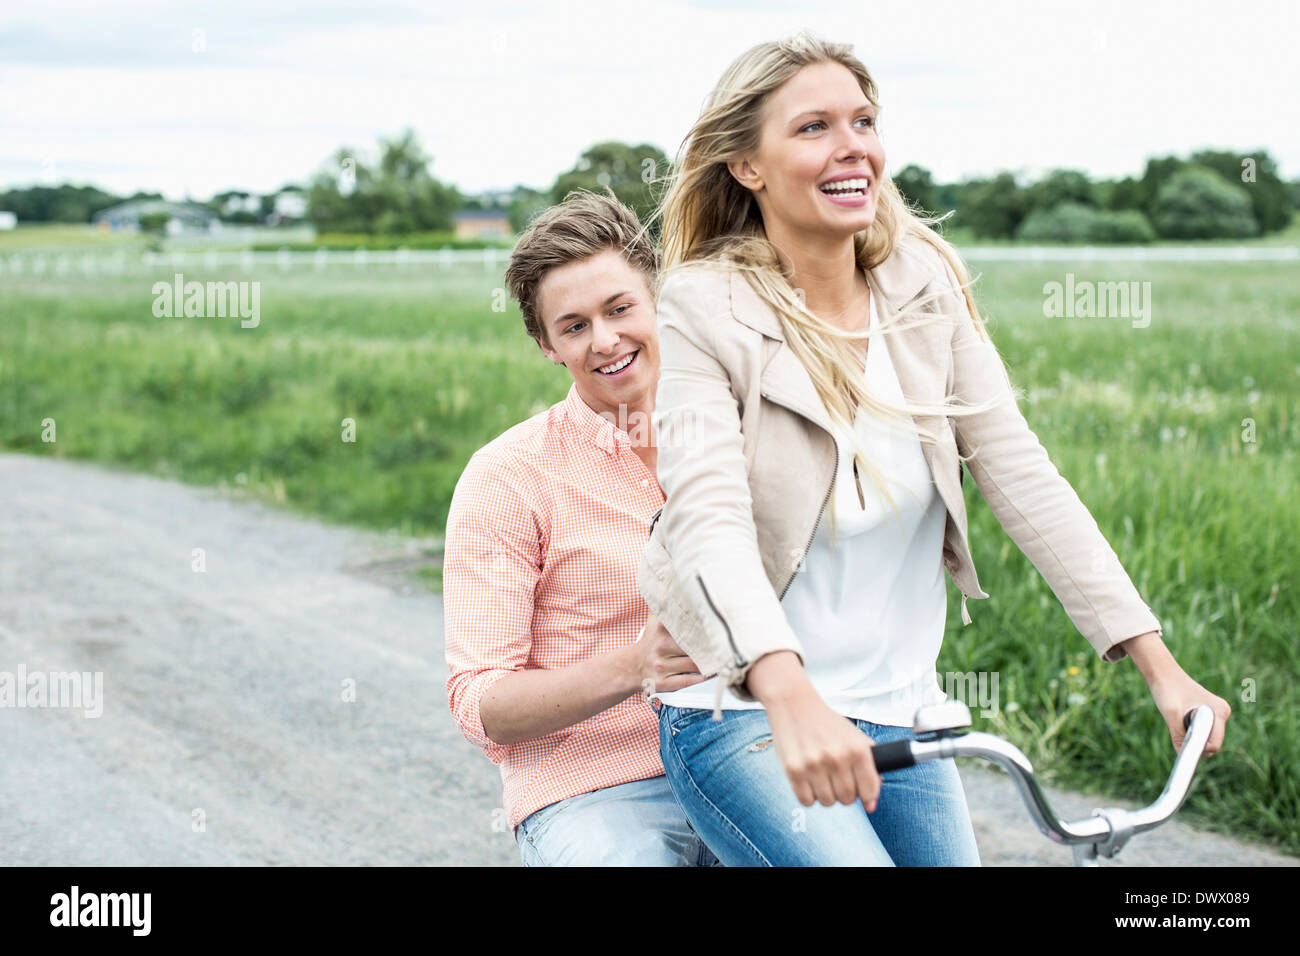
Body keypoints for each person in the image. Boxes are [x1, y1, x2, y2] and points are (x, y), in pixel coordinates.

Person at [635, 32, 1232, 867]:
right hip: (748, 717)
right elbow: (708, 518)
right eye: (813, 128)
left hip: (901, 712)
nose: (853, 148)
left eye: (864, 121)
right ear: (747, 166)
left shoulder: (923, 285)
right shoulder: (703, 307)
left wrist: (1158, 664)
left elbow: (1024, 476)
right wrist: (786, 692)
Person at [443, 189, 720, 866]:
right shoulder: (506, 477)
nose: (605, 341)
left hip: (746, 763)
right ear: (546, 345)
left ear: (660, 301)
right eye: (574, 326)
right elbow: (479, 700)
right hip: (597, 790)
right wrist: (635, 665)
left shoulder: (735, 432)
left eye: (620, 309)